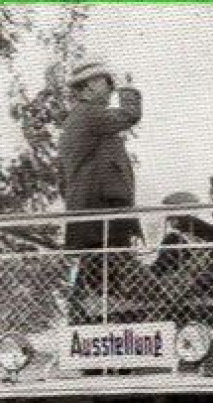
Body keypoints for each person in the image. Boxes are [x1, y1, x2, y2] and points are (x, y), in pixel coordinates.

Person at [59, 59, 143, 323]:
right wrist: (128, 89)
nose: (109, 89)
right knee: (106, 286)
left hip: (96, 219)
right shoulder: (88, 115)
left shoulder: (86, 123)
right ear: (85, 90)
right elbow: (130, 114)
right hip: (100, 221)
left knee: (100, 284)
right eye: (102, 83)